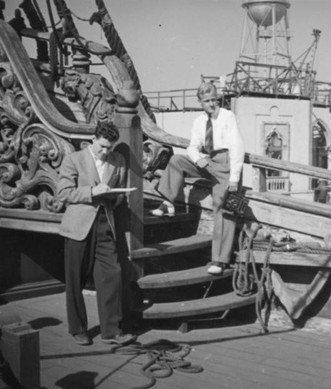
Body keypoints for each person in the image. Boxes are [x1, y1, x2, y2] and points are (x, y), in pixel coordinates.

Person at [151, 82, 244, 275]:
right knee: (177, 160)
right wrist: (198, 159)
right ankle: (168, 202)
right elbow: (192, 147)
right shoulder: (199, 121)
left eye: (214, 100)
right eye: (207, 101)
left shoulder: (227, 116)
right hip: (208, 162)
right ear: (200, 102)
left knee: (223, 209)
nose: (212, 104)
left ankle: (220, 260)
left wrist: (234, 178)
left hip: (226, 165)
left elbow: (237, 147)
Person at [57, 121, 136, 346]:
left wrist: (114, 196)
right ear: (93, 139)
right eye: (102, 146)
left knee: (112, 273)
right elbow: (63, 193)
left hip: (105, 223)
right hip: (79, 225)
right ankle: (78, 328)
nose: (105, 152)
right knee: (75, 279)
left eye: (109, 148)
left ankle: (112, 330)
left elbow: (121, 196)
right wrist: (92, 191)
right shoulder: (74, 159)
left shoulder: (118, 161)